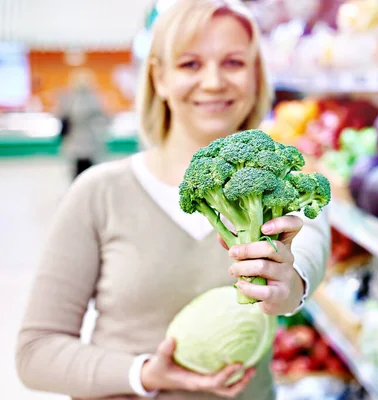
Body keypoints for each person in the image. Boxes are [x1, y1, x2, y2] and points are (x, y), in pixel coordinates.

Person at [15, 1, 330, 399]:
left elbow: (307, 256)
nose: (214, 82)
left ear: (256, 76)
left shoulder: (287, 188)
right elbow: (36, 352)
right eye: (190, 65)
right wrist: (145, 373)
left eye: (233, 62)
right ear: (159, 78)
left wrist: (288, 284)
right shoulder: (98, 193)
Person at [56, 69, 109, 180]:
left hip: (86, 141)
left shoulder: (69, 98)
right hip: (83, 141)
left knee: (85, 173)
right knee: (85, 172)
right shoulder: (93, 98)